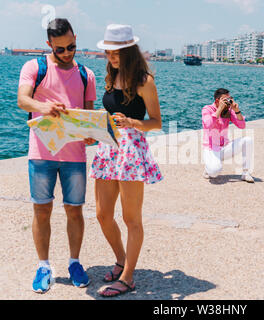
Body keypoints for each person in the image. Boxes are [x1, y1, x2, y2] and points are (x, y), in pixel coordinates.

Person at [17, 18, 97, 293]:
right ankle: (44, 266)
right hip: (41, 152)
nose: (66, 53)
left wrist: (91, 134)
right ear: (49, 44)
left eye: (71, 46)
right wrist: (44, 106)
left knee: (75, 211)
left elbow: (88, 116)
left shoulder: (87, 74)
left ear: (76, 37)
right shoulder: (34, 67)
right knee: (42, 210)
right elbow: (22, 100)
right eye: (60, 49)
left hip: (75, 155)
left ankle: (75, 262)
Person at [90, 24, 163, 297]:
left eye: (116, 53)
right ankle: (122, 260)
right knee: (102, 214)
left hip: (131, 151)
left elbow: (156, 122)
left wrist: (132, 121)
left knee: (131, 218)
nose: (111, 57)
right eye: (108, 53)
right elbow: (111, 109)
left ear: (129, 50)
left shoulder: (144, 81)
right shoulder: (111, 76)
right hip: (107, 148)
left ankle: (128, 277)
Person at [202, 88, 254, 183]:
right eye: (225, 100)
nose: (228, 102)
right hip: (211, 149)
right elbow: (208, 125)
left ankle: (246, 173)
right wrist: (219, 109)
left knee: (248, 140)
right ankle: (208, 167)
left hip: (225, 147)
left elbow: (242, 126)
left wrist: (237, 111)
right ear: (217, 100)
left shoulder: (229, 111)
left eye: (229, 99)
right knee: (214, 173)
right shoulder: (207, 109)